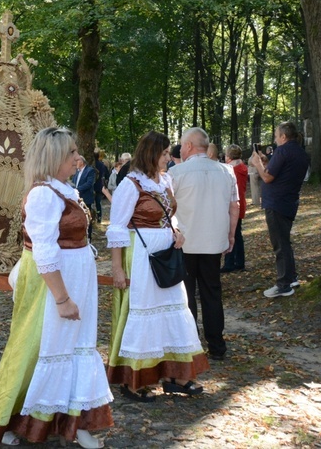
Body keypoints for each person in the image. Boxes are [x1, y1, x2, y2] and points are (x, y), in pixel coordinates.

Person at [0, 127, 113, 448]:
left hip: (76, 280)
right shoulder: (42, 194)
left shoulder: (64, 189)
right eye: (70, 153)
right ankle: (12, 422)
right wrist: (62, 298)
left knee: (74, 348)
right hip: (52, 286)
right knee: (38, 349)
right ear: (53, 157)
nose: (77, 157)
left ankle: (74, 421)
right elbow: (45, 250)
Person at [106, 131, 209, 402]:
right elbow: (116, 228)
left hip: (166, 253)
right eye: (164, 153)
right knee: (145, 312)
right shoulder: (131, 184)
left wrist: (177, 232)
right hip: (141, 256)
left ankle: (175, 376)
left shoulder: (165, 180)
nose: (168, 157)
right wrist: (117, 269)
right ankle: (133, 380)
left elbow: (169, 217)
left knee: (175, 310)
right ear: (152, 153)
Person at [168, 128, 238, 361]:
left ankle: (192, 343)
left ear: (188, 146)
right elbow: (234, 206)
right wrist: (230, 235)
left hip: (185, 242)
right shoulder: (226, 171)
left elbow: (168, 208)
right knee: (212, 292)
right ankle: (217, 345)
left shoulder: (176, 172)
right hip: (213, 241)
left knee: (186, 293)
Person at [250, 121, 310, 298]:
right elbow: (280, 170)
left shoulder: (283, 150)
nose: (275, 140)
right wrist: (267, 162)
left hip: (277, 203)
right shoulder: (299, 152)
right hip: (289, 202)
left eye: (276, 136)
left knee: (280, 245)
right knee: (284, 241)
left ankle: (284, 284)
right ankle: (291, 277)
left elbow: (268, 177)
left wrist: (257, 164)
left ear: (284, 136)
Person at [221, 144, 248, 272]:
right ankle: (239, 261)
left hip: (233, 204)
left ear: (229, 156)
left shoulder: (231, 170)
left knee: (231, 233)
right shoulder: (242, 167)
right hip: (241, 203)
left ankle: (230, 262)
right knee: (237, 234)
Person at [71, 155, 96, 240]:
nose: (75, 163)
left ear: (81, 161)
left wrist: (77, 189)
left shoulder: (90, 171)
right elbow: (73, 182)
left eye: (77, 161)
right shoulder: (76, 172)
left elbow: (89, 184)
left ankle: (88, 236)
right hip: (76, 199)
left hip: (86, 198)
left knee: (87, 218)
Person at [93, 149, 109, 223]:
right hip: (100, 186)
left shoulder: (92, 165)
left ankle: (92, 218)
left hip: (92, 186)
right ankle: (99, 218)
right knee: (98, 203)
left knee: (90, 203)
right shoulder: (102, 165)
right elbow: (106, 174)